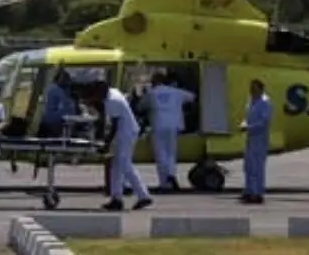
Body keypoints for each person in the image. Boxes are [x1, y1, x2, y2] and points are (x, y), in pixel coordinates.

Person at [89, 79, 152, 211]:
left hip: (126, 133)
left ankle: (143, 196)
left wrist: (106, 144)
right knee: (116, 166)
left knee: (125, 164)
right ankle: (116, 198)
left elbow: (114, 126)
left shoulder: (113, 101)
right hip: (125, 132)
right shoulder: (112, 92)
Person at [145, 72, 195, 192]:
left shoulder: (151, 93)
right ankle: (171, 174)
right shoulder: (176, 92)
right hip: (174, 125)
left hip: (158, 125)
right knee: (171, 153)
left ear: (154, 82)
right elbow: (192, 97)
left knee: (160, 154)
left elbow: (141, 106)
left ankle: (165, 182)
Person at [239, 78, 273, 204]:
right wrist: (244, 124)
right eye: (251, 88)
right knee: (248, 166)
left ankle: (257, 193)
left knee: (257, 167)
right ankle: (249, 190)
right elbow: (247, 117)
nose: (252, 91)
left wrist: (249, 127)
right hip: (250, 138)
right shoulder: (251, 102)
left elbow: (264, 122)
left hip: (259, 139)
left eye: (254, 88)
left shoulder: (265, 103)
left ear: (261, 89)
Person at [38, 69, 76, 138]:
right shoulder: (58, 91)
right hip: (54, 122)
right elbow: (64, 108)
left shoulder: (48, 88)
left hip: (44, 120)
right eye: (66, 80)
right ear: (61, 79)